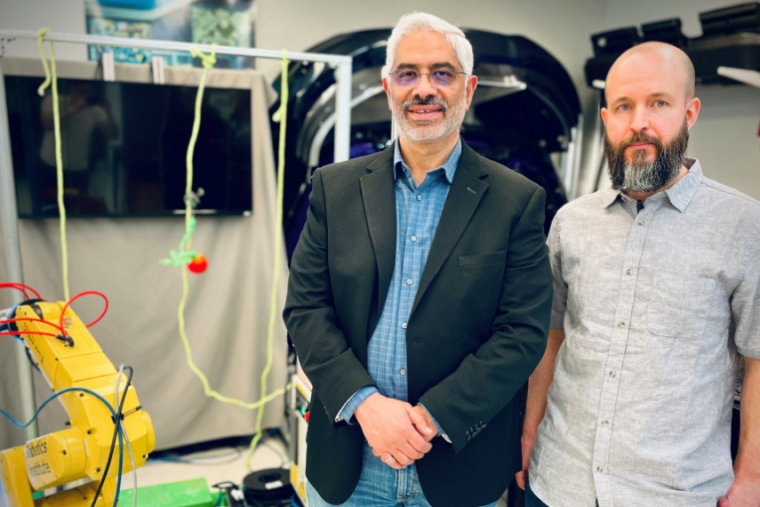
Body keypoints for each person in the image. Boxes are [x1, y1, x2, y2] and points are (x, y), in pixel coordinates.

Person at [284, 12, 553, 507]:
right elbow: (306, 311)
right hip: (349, 463)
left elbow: (522, 334)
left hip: (457, 466)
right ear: (389, 88)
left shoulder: (517, 201)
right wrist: (366, 407)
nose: (423, 88)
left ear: (468, 89)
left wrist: (427, 420)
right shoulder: (334, 189)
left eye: (442, 73)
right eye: (408, 74)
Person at [518, 42, 760, 507]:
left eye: (659, 103)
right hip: (557, 483)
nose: (639, 123)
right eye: (624, 106)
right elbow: (552, 334)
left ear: (690, 112)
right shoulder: (570, 222)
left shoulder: (744, 227)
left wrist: (752, 475)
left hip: (672, 494)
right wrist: (531, 429)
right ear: (607, 118)